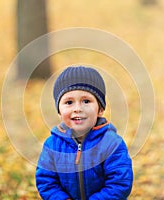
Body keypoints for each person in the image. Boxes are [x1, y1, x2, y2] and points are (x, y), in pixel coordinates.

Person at [35, 66, 133, 200]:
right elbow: (46, 182)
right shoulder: (52, 145)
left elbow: (119, 183)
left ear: (100, 109)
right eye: (69, 102)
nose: (77, 109)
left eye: (86, 101)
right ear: (59, 111)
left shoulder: (111, 143)